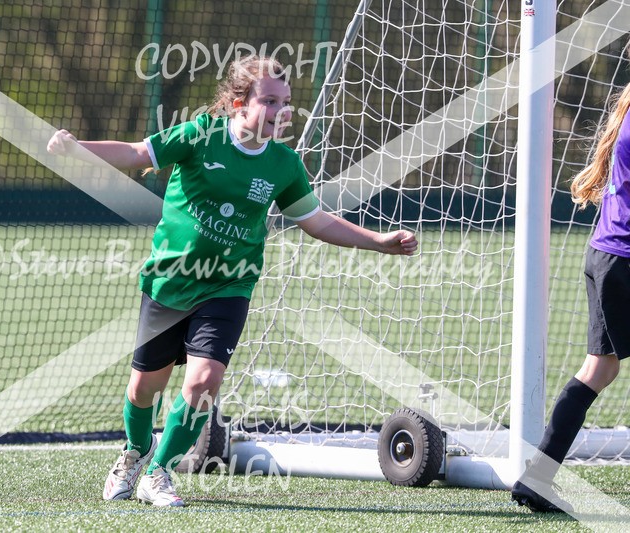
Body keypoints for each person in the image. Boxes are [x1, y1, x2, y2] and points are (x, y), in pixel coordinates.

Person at [48, 55, 418, 507]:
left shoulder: (283, 164)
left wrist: (378, 241)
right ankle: (133, 453)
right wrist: (76, 148)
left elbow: (317, 221)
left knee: (203, 384)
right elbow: (137, 154)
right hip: (168, 283)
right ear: (240, 102)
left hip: (228, 287)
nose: (281, 111)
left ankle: (159, 472)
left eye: (286, 103)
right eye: (269, 101)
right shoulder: (199, 135)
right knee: (144, 389)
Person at [511, 80, 630, 513]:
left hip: (606, 253)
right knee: (599, 369)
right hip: (623, 260)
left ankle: (536, 479)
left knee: (598, 370)